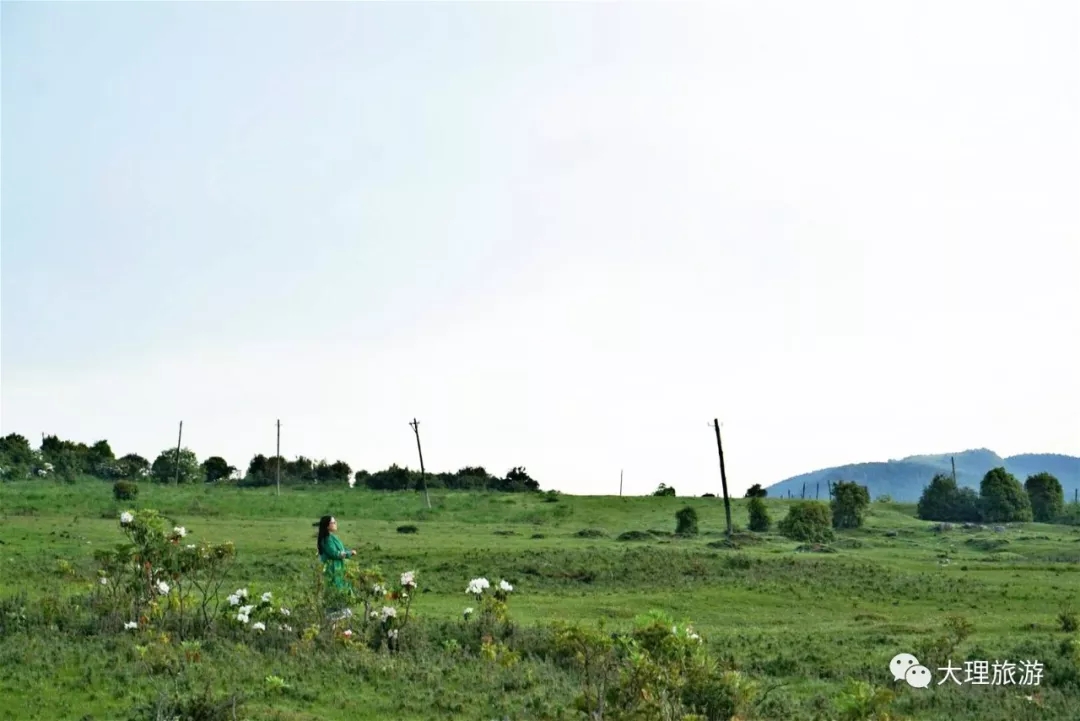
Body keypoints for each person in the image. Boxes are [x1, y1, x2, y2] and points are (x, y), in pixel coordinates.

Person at [314, 515, 357, 598]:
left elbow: (341, 550)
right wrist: (349, 553)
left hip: (339, 568)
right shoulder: (327, 539)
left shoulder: (332, 537)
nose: (335, 524)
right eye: (333, 522)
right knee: (336, 591)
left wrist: (347, 552)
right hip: (333, 569)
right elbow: (334, 554)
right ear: (327, 525)